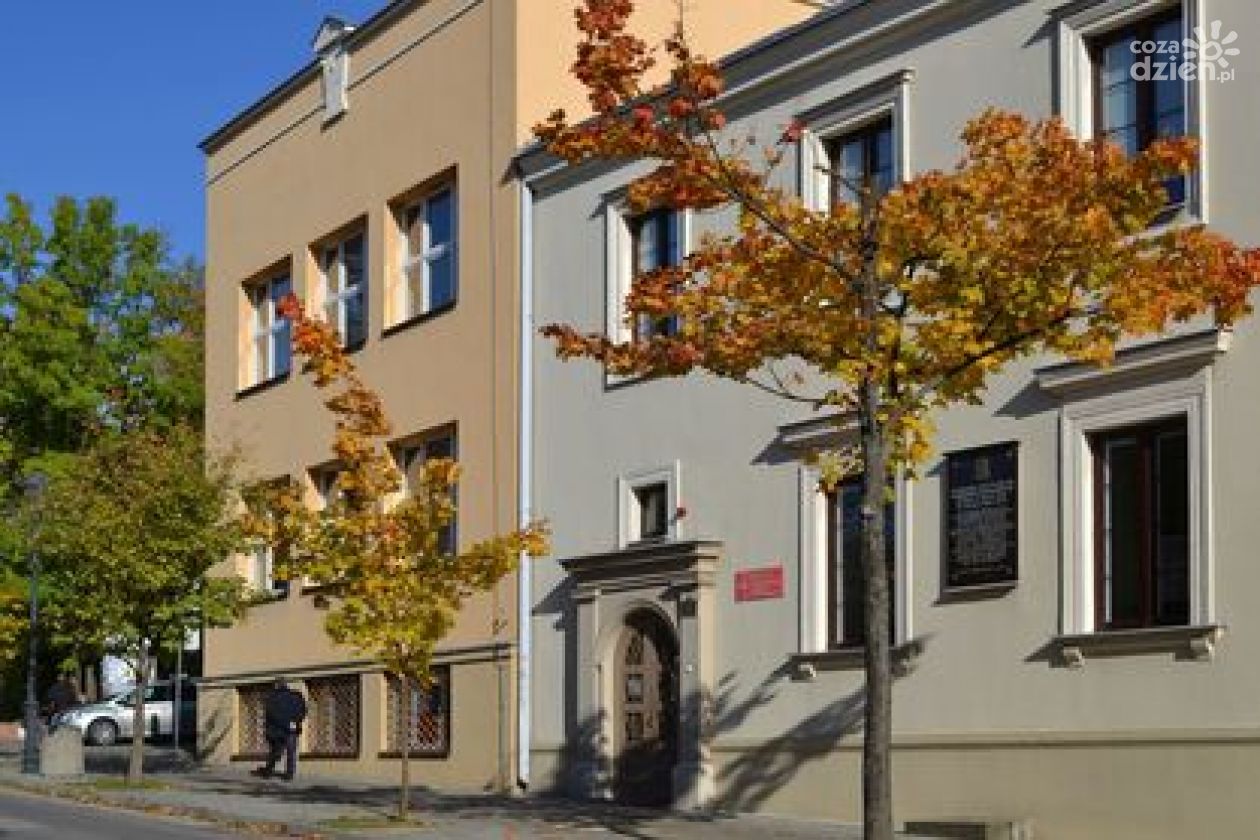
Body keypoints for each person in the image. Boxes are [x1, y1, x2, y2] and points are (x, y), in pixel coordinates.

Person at [251, 678, 307, 781]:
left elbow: (271, 715)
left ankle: (268, 771)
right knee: (291, 752)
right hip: (292, 729)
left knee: (275, 752)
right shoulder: (297, 696)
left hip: (277, 730)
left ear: (276, 686)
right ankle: (289, 774)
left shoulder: (272, 698)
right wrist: (295, 721)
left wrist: (280, 725)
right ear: (286, 685)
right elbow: (303, 710)